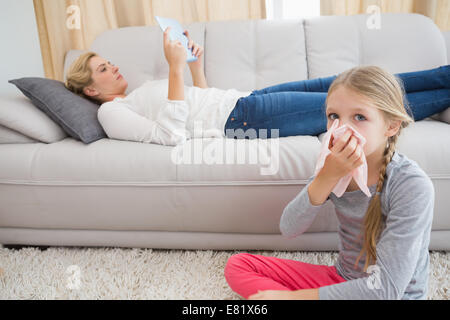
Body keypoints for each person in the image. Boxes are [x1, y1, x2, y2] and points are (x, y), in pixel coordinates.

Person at [223, 65, 436, 300]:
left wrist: (293, 298)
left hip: (391, 295)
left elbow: (386, 290)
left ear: (391, 126)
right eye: (334, 116)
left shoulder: (411, 185)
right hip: (343, 279)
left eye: (359, 117)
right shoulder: (334, 166)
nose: (342, 129)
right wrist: (327, 177)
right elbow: (289, 227)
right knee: (238, 265)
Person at [65, 27, 450, 146]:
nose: (113, 66)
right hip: (242, 120)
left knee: (357, 82)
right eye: (102, 68)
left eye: (109, 62)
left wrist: (193, 66)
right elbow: (171, 133)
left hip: (245, 100)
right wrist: (175, 69)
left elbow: (200, 97)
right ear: (90, 90)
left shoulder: (139, 92)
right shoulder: (111, 111)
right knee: (362, 103)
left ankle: (443, 74)